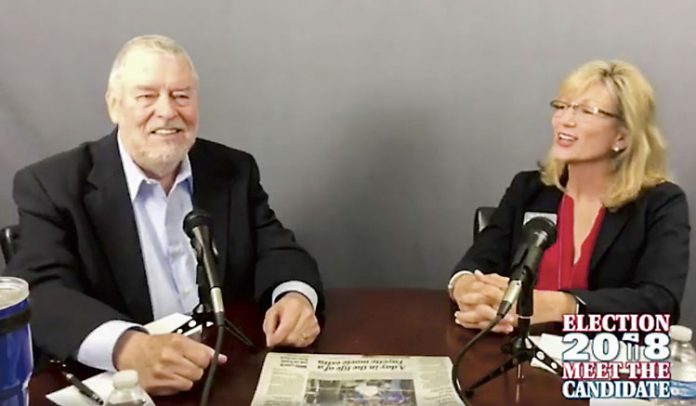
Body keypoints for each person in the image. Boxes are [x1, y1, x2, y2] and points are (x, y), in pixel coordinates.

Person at [6, 35, 323, 395]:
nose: (167, 111)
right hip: (123, 387)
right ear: (114, 105)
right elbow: (39, 289)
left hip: (222, 373)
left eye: (181, 96)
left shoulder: (232, 169)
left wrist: (295, 296)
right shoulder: (52, 184)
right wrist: (126, 347)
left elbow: (277, 247)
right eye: (146, 96)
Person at [448, 60, 689, 334]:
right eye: (561, 107)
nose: (565, 120)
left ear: (621, 137)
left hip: (603, 364)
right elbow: (476, 263)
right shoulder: (529, 189)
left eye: (586, 111)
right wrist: (466, 290)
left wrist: (560, 305)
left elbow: (660, 305)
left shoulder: (660, 203)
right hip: (517, 357)